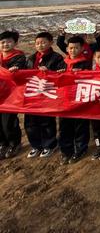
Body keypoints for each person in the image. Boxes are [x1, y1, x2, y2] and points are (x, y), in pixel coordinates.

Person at [24, 31, 65, 159]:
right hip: (32, 94)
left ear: (50, 43)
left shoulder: (57, 57)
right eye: (37, 43)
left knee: (46, 121)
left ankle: (50, 145)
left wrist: (49, 72)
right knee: (30, 122)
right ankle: (36, 145)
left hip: (47, 94)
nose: (40, 45)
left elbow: (61, 76)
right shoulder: (30, 58)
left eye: (43, 42)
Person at [58, 36, 91, 165]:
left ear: (82, 48)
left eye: (76, 47)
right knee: (64, 127)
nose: (73, 50)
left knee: (80, 126)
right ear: (67, 49)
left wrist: (84, 73)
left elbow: (93, 77)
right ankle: (66, 151)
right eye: (71, 48)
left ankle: (80, 149)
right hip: (64, 101)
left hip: (80, 100)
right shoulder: (62, 63)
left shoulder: (86, 62)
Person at [0, 30, 26, 159]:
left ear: (15, 43)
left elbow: (18, 71)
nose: (5, 44)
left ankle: (14, 143)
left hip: (10, 96)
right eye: (2, 42)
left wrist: (14, 69)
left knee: (8, 122)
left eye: (9, 42)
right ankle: (2, 144)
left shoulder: (19, 56)